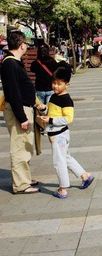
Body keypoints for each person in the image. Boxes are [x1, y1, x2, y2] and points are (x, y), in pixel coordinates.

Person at [36, 67, 94, 199]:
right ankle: (85, 176)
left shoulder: (66, 100)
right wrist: (44, 109)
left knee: (59, 161)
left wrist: (50, 119)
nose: (55, 86)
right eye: (54, 82)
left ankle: (63, 188)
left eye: (59, 83)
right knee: (66, 158)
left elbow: (68, 118)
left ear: (67, 84)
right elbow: (51, 112)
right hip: (55, 134)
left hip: (60, 135)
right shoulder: (53, 96)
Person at [1, 31, 39, 194]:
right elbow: (13, 93)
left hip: (25, 108)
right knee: (19, 147)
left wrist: (37, 104)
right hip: (19, 110)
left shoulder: (14, 62)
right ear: (21, 44)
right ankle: (21, 184)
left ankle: (24, 178)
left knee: (25, 146)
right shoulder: (10, 64)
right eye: (26, 44)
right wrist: (22, 117)